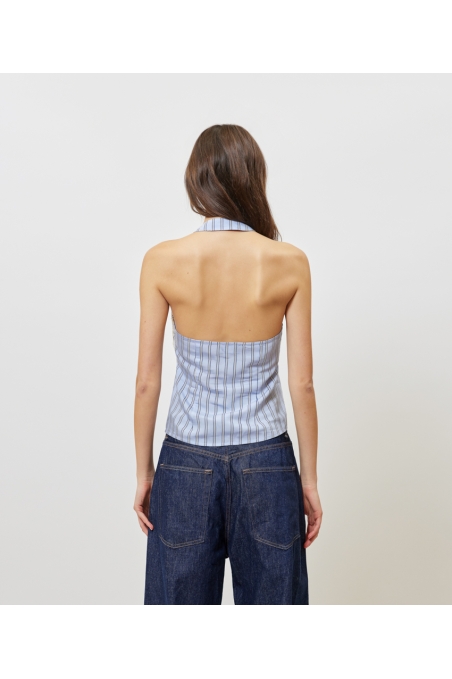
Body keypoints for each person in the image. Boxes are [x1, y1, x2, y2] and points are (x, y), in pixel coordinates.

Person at [133, 124, 322, 605]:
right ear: (253, 178)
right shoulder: (289, 262)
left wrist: (145, 473)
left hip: (185, 464)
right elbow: (302, 383)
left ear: (196, 180)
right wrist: (309, 480)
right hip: (268, 465)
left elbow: (146, 383)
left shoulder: (161, 260)